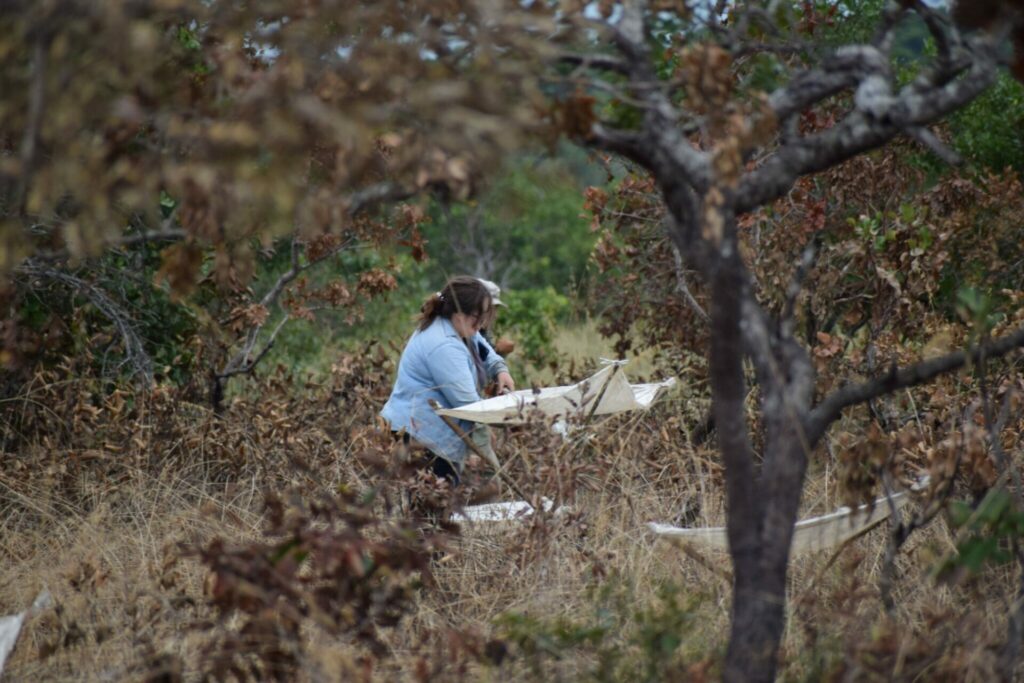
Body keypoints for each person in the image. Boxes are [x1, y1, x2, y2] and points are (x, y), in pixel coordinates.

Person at [381, 276, 515, 486]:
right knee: (429, 509)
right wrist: (514, 419)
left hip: (435, 433)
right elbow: (469, 407)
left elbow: (484, 350)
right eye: (476, 316)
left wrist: (500, 370)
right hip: (418, 435)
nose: (481, 323)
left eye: (484, 316)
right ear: (459, 312)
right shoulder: (443, 346)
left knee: (439, 506)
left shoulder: (461, 326)